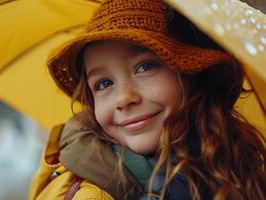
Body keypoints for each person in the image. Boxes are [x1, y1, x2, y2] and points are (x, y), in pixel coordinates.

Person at [29, 0, 266, 199]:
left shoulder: (238, 162)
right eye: (103, 84)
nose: (123, 99)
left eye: (145, 67)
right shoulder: (91, 193)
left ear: (192, 74)